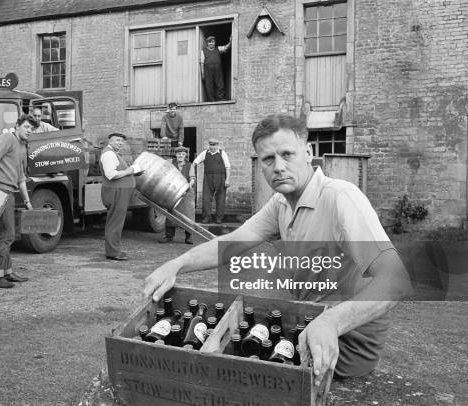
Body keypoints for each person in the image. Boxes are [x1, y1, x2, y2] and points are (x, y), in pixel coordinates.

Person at [144, 114, 411, 386]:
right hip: (307, 324)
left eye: (287, 154)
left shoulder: (341, 197)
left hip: (344, 344)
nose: (279, 167)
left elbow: (396, 280)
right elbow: (232, 243)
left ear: (308, 153)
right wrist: (175, 264)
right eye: (268, 159)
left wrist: (333, 322)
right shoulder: (281, 203)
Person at [0, 114, 38, 288]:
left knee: (9, 234)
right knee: (6, 235)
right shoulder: (7, 138)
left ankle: (7, 272)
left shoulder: (22, 146)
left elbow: (21, 178)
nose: (30, 131)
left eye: (32, 129)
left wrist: (28, 202)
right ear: (18, 125)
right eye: (27, 127)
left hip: (10, 193)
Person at [99, 133, 142, 260]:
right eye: (117, 140)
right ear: (110, 141)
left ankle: (114, 250)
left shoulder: (113, 153)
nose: (120, 143)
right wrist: (130, 171)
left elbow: (118, 172)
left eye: (121, 141)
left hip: (119, 191)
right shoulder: (108, 154)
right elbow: (111, 174)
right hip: (116, 192)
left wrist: (133, 172)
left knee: (116, 222)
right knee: (115, 223)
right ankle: (113, 252)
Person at [158, 146, 195, 245]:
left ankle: (189, 236)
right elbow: (163, 167)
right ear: (176, 154)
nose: (180, 156)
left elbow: (192, 178)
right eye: (178, 154)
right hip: (173, 192)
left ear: (185, 155)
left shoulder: (189, 165)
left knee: (188, 214)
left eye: (183, 154)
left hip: (186, 192)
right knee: (171, 213)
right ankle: (169, 236)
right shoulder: (171, 162)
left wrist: (190, 184)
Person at [193, 139, 230, 224]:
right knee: (206, 197)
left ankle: (219, 218)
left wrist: (227, 179)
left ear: (217, 145)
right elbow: (195, 162)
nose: (212, 147)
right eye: (211, 145)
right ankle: (206, 217)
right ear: (209, 145)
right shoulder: (205, 153)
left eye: (214, 145)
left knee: (220, 198)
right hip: (207, 177)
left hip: (221, 177)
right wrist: (192, 169)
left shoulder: (222, 153)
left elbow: (228, 167)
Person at [200, 35, 231, 102]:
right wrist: (203, 73)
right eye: (209, 42)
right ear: (207, 43)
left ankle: (220, 98)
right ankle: (211, 100)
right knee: (209, 85)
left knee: (220, 84)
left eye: (212, 42)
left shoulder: (218, 49)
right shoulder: (203, 51)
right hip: (208, 71)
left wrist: (230, 42)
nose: (211, 43)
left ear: (215, 42)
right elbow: (202, 63)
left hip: (218, 70)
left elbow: (225, 48)